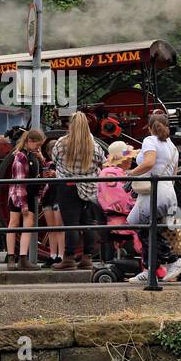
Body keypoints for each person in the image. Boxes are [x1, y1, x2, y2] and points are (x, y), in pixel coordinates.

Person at [127, 113, 181, 283]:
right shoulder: (173, 147)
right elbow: (174, 173)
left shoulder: (149, 141)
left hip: (154, 191)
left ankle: (171, 260)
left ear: (150, 127)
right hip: (167, 191)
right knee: (145, 226)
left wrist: (130, 174)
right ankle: (152, 267)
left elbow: (149, 162)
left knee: (143, 226)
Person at [51, 112, 108, 270]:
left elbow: (54, 158)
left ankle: (68, 258)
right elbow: (102, 162)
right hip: (89, 187)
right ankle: (87, 257)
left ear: (71, 125)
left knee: (71, 224)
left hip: (67, 186)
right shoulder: (94, 145)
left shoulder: (62, 143)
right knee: (88, 223)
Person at [5, 128, 46, 270]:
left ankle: (21, 258)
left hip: (28, 194)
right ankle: (13, 257)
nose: (39, 148)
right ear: (30, 141)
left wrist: (41, 158)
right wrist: (24, 205)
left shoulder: (31, 155)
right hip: (20, 195)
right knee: (14, 223)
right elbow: (20, 182)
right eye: (38, 145)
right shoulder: (21, 157)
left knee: (25, 225)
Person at [38, 138, 66, 266]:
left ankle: (61, 255)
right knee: (51, 228)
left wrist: (56, 174)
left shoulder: (63, 166)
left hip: (59, 195)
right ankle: (52, 254)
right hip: (49, 195)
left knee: (59, 227)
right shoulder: (47, 165)